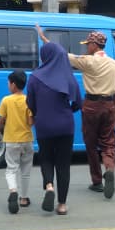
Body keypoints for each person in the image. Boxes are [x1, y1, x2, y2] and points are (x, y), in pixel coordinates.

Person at [55, 29, 115, 200]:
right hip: (109, 105)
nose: (86, 48)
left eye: (88, 44)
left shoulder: (88, 61)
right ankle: (109, 169)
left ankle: (97, 181)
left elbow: (65, 55)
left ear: (94, 45)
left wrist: (46, 40)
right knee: (108, 142)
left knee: (91, 144)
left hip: (91, 105)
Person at [27, 27, 81, 215]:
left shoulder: (34, 77)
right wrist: (68, 111)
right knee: (63, 164)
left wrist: (38, 113)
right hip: (65, 125)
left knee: (46, 158)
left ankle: (49, 186)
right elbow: (78, 103)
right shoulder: (68, 76)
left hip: (44, 125)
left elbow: (30, 103)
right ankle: (62, 205)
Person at [0, 69, 33, 214]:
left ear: (13, 85)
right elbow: (30, 122)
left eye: (8, 83)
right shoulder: (28, 100)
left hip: (11, 140)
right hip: (27, 140)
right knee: (26, 171)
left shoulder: (6, 100)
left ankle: (13, 191)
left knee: (11, 169)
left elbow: (1, 119)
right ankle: (24, 199)